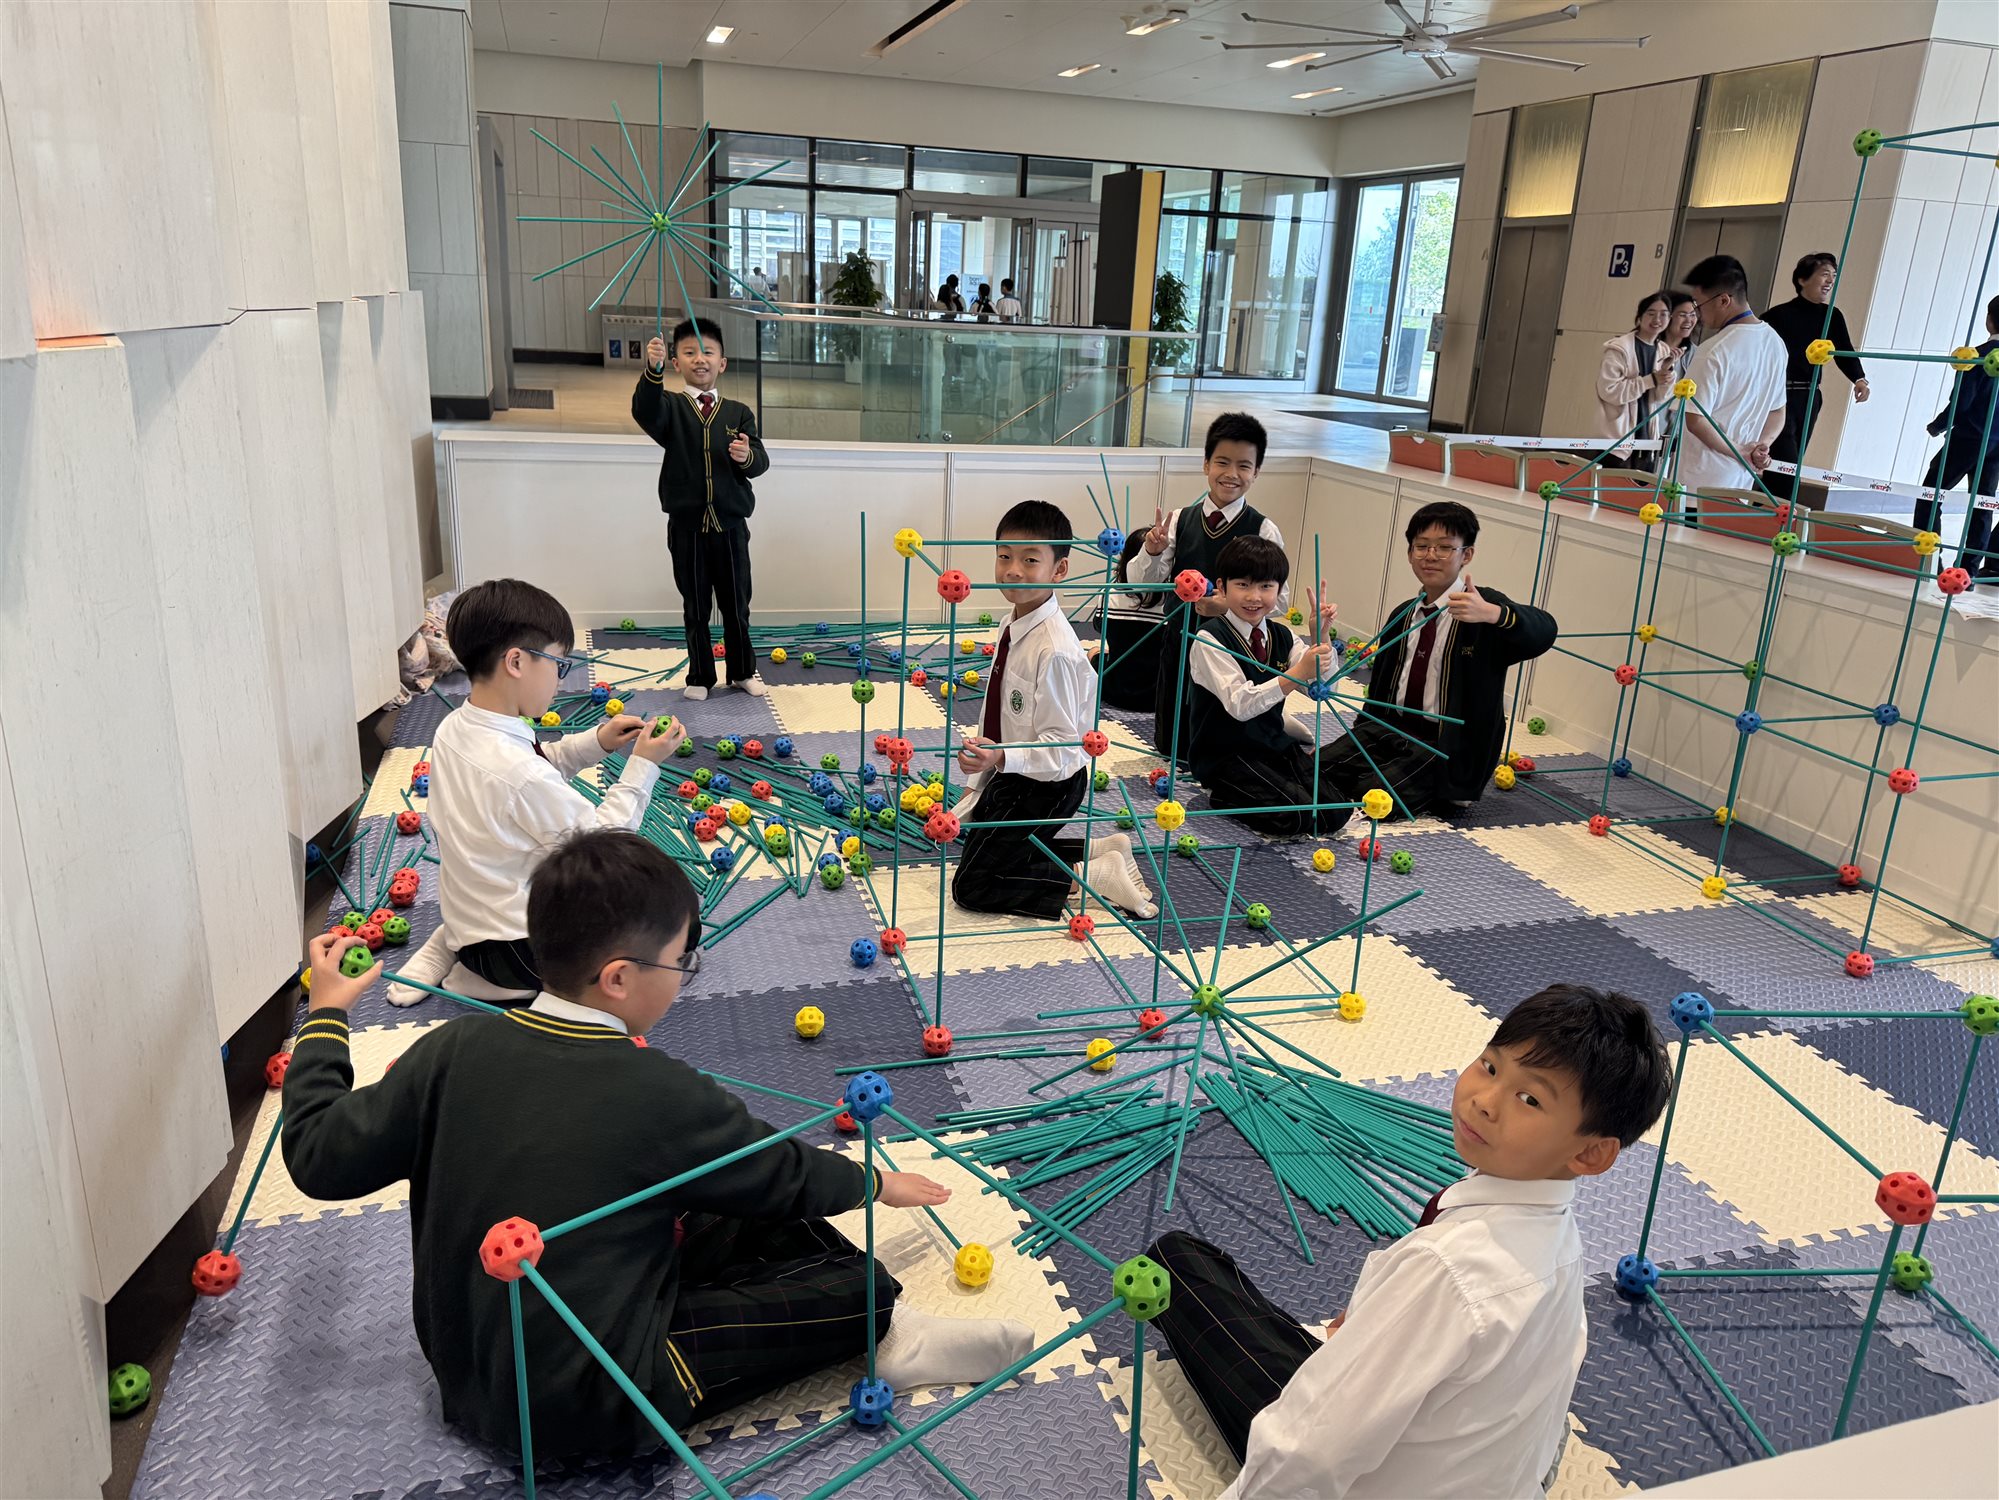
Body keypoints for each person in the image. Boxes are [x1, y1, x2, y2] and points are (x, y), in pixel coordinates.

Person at [288, 830, 1035, 1461]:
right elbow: (779, 1172)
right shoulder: (655, 1089)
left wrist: (325, 1012)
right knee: (862, 1291)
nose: (684, 976)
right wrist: (874, 1184)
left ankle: (864, 1316)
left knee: (720, 1192)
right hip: (584, 1402)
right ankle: (888, 1332)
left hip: (465, 1367)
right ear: (618, 978)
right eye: (681, 960)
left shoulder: (449, 1048)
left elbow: (318, 1154)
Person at [1144, 984, 1673, 1499]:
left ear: (1590, 1154)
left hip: (1370, 1478)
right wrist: (1372, 1320)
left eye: (1529, 1099)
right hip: (1505, 1476)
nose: (1485, 1101)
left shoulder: (1448, 1269)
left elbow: (1311, 1451)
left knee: (1176, 1263)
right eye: (1490, 1067)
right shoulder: (1559, 1232)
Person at [386, 580, 686, 1006]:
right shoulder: (520, 774)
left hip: (469, 914)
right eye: (558, 664)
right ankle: (492, 981)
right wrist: (644, 765)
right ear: (516, 662)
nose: (560, 680)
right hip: (516, 953)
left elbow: (537, 761)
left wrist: (596, 742)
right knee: (656, 921)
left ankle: (451, 942)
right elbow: (606, 846)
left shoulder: (456, 726)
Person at [951, 500, 1156, 919]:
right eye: (1004, 556)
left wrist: (999, 758)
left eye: (1030, 560)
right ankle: (1100, 849)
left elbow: (1062, 747)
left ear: (1059, 569)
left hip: (1048, 784)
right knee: (976, 845)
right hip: (1015, 773)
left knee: (972, 887)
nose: (1013, 570)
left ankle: (1094, 876)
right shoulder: (1012, 623)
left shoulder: (1055, 649)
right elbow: (999, 709)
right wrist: (980, 777)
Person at [1316, 502, 1557, 823]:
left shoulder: (1481, 606)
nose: (1430, 556)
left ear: (1466, 555)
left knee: (1372, 797)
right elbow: (1381, 689)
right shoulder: (1404, 613)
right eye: (1422, 546)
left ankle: (1447, 788)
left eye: (1444, 548)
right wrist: (1359, 735)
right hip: (1389, 730)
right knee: (1314, 771)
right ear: (1409, 553)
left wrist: (1494, 614)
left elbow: (1545, 630)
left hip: (1445, 745)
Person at [1126, 412, 1286, 765]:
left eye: (1244, 466)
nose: (1232, 474)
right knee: (1172, 739)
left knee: (1222, 735)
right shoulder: (1179, 519)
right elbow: (1139, 584)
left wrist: (1227, 608)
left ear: (1256, 472)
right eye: (1222, 462)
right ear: (1206, 465)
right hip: (1180, 636)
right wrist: (1151, 550)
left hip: (1233, 646)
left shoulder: (1263, 530)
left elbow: (1279, 601)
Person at [635, 318, 771, 702]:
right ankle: (700, 675)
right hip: (687, 528)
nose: (700, 359)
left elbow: (760, 461)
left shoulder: (738, 412)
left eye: (708, 352)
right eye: (689, 352)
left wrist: (747, 457)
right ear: (676, 362)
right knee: (695, 606)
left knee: (736, 605)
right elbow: (644, 410)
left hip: (730, 527)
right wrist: (652, 371)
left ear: (722, 363)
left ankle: (741, 671)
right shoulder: (670, 408)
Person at [1185, 536, 1345, 836]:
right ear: (1222, 587)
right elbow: (1241, 705)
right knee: (1294, 817)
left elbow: (1323, 690)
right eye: (1243, 585)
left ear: (1280, 590)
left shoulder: (1282, 636)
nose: (1254, 596)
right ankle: (1223, 794)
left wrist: (1320, 637)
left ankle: (1257, 790)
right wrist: (1297, 672)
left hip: (1272, 745)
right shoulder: (1210, 638)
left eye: (1266, 586)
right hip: (1225, 755)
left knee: (1336, 811)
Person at [1674, 255, 1787, 497]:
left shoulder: (1714, 350)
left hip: (1699, 479)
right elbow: (1778, 411)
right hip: (1741, 482)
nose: (1698, 314)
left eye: (1699, 305)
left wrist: (1741, 451)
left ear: (1724, 300)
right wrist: (1761, 446)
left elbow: (1695, 419)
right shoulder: (1776, 343)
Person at [1917, 294, 1999, 587]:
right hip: (1997, 443)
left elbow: (1962, 402)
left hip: (1968, 437)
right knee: (1983, 504)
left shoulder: (1977, 356)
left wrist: (1938, 425)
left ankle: (1929, 561)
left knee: (1930, 494)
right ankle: (1969, 571)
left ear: (1989, 320)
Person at [1763, 252, 1870, 465]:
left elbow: (1844, 350)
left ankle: (1772, 488)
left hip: (1810, 396)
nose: (1830, 280)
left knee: (1793, 461)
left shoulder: (1832, 316)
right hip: (1779, 394)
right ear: (1803, 280)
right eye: (1824, 274)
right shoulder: (1777, 315)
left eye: (1834, 275)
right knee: (1783, 460)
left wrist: (1859, 379)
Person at [1595, 291, 1686, 470]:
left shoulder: (1663, 350)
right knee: (1611, 486)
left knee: (1640, 487)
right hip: (1616, 441)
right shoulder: (1619, 348)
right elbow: (1608, 391)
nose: (1657, 319)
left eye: (1664, 314)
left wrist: (1667, 370)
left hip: (1646, 440)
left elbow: (1661, 398)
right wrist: (1650, 380)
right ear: (1640, 317)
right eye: (1651, 313)